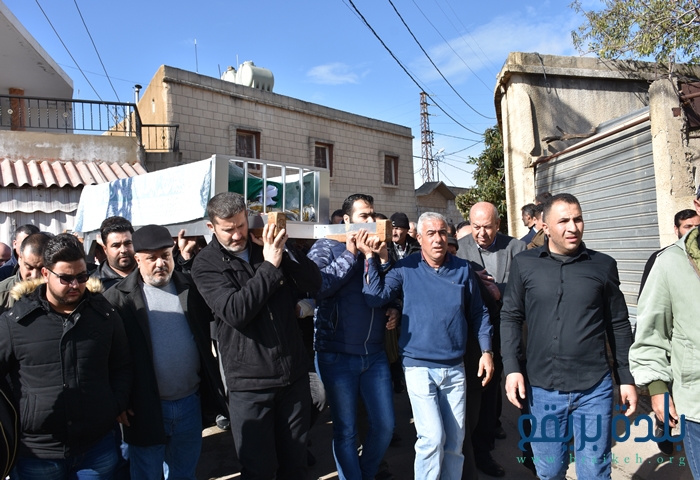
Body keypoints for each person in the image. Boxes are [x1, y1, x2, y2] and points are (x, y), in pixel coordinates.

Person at [501, 193, 637, 480]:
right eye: (563, 221)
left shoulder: (603, 266)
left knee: (595, 471)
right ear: (545, 226)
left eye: (578, 219)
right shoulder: (524, 264)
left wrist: (625, 377)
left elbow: (618, 323)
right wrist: (512, 368)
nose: (573, 227)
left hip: (594, 387)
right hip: (543, 388)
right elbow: (511, 316)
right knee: (549, 470)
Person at [191, 192, 322, 480]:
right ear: (211, 227)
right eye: (228, 229)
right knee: (258, 470)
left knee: (296, 465)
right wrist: (270, 265)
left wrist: (284, 250)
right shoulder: (206, 264)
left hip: (292, 375)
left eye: (241, 225)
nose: (237, 235)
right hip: (250, 384)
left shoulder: (265, 246)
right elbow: (236, 311)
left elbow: (314, 281)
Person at [363, 211, 494, 480]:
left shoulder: (463, 269)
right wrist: (370, 258)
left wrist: (486, 351)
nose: (438, 239)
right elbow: (375, 297)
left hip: (455, 368)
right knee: (432, 438)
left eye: (442, 233)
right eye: (431, 233)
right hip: (418, 366)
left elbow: (479, 313)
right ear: (419, 238)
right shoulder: (406, 268)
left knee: (455, 442)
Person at [0, 233, 132, 480]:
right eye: (66, 278)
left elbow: (122, 364)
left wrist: (115, 404)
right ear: (45, 274)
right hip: (37, 454)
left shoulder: (104, 314)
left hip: (97, 447)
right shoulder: (15, 322)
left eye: (81, 277)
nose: (75, 285)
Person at [102, 225, 227, 480]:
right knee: (146, 474)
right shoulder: (117, 299)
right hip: (144, 408)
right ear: (137, 259)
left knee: (184, 474)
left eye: (165, 256)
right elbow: (109, 358)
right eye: (152, 258)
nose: (160, 263)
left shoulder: (190, 287)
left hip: (189, 403)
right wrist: (120, 401)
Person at [307, 193, 396, 480]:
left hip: (374, 354)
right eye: (363, 216)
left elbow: (392, 288)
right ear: (347, 220)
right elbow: (317, 286)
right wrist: (351, 253)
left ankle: (366, 473)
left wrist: (394, 307)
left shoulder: (380, 248)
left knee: (385, 426)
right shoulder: (325, 246)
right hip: (336, 355)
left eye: (372, 214)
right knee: (345, 430)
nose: (370, 221)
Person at [629, 190, 700, 477]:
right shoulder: (670, 262)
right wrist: (657, 389)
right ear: (698, 205)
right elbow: (650, 334)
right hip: (696, 404)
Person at [457, 202, 526, 478]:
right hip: (473, 334)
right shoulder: (459, 250)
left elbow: (525, 289)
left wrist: (499, 292)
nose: (481, 233)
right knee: (480, 392)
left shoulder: (517, 249)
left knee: (504, 387)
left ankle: (492, 447)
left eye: (487, 227)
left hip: (508, 329)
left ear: (498, 224)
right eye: (476, 227)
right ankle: (477, 450)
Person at [638, 208, 700, 295]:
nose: (694, 231)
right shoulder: (661, 258)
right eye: (688, 227)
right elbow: (648, 295)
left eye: (697, 226)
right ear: (676, 229)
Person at [0, 233, 49, 313]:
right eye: (29, 267)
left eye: (41, 269)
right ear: (19, 259)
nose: (34, 275)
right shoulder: (2, 293)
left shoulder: (61, 292)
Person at [93, 216, 137, 290]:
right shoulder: (94, 285)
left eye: (128, 243)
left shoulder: (148, 274)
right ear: (105, 249)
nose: (123, 250)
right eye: (116, 245)